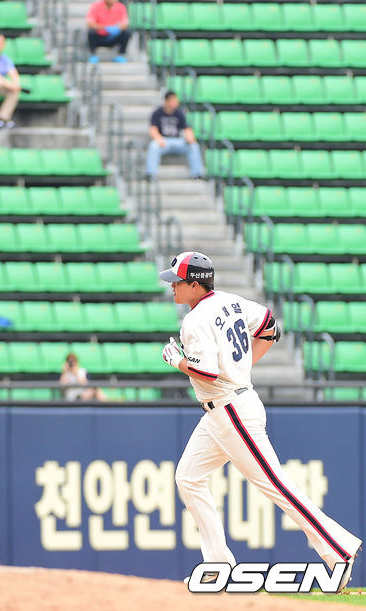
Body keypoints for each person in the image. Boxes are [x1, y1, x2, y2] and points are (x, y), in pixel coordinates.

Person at [159, 251, 362, 591]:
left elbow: (208, 372)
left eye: (178, 281)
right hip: (224, 409)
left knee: (277, 486)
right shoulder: (232, 302)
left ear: (195, 284)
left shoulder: (194, 321)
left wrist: (177, 361)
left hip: (231, 409)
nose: (172, 287)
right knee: (188, 478)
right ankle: (219, 566)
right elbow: (270, 325)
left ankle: (339, 550)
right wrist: (242, 367)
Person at [146, 91, 205, 181]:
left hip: (177, 141)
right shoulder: (157, 113)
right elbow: (153, 129)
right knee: (153, 146)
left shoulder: (179, 113)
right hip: (163, 141)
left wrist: (190, 138)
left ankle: (197, 174)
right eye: (174, 100)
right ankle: (151, 174)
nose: (177, 102)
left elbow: (186, 128)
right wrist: (158, 139)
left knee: (193, 146)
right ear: (167, 101)